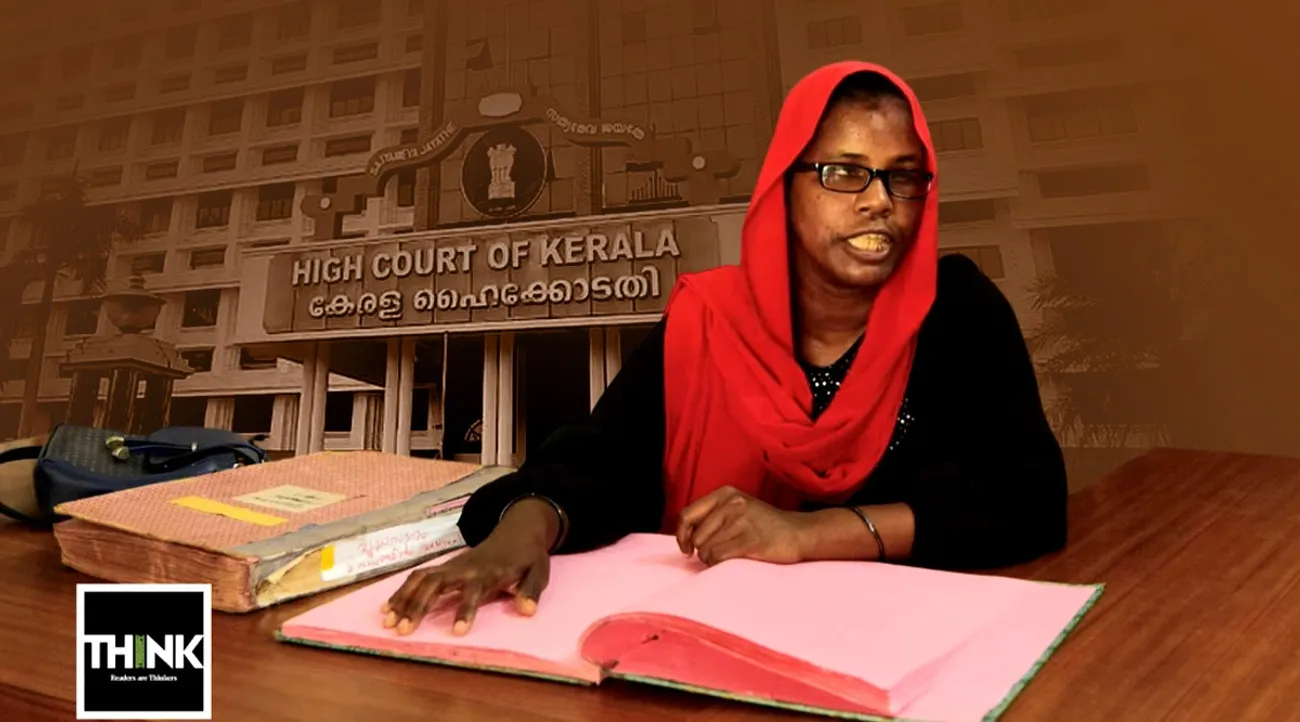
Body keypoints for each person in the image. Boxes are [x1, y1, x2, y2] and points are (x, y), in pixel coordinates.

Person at [382, 61, 1068, 636]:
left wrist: (806, 534)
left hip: (900, 647)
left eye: (904, 176)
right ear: (784, 187)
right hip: (708, 649)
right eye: (844, 172)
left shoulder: (956, 311)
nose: (879, 200)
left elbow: (1025, 502)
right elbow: (601, 460)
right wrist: (521, 532)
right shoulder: (709, 318)